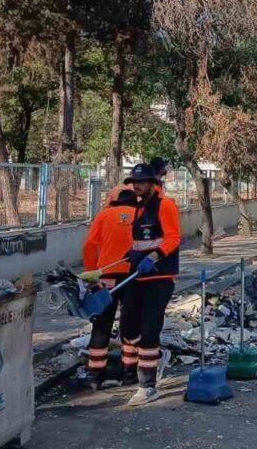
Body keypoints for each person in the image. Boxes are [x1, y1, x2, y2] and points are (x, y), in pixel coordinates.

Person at [121, 162, 182, 406]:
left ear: (153, 184)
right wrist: (132, 254)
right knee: (127, 328)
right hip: (137, 275)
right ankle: (153, 356)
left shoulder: (164, 205)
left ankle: (147, 386)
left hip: (160, 276)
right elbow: (140, 241)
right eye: (135, 182)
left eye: (142, 182)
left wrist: (154, 256)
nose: (137, 185)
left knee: (149, 329)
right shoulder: (137, 208)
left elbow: (173, 237)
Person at [78, 189, 139, 388]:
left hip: (106, 276)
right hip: (132, 275)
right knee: (130, 324)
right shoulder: (140, 214)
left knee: (101, 325)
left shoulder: (104, 215)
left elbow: (89, 245)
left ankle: (96, 376)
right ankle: (129, 375)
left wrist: (91, 272)